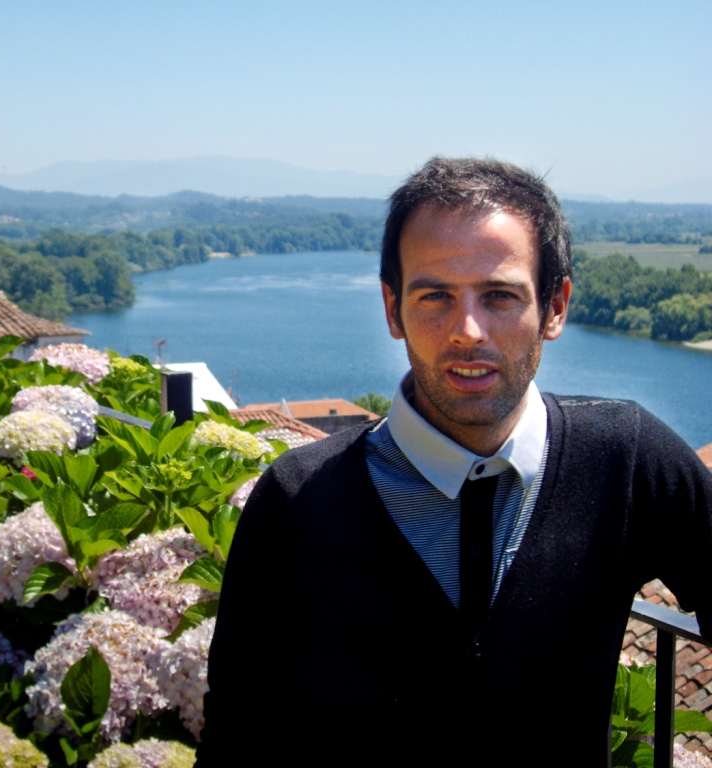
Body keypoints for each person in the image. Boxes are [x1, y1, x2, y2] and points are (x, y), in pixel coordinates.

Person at [195, 157, 712, 767]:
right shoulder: (298, 501)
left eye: (500, 296)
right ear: (393, 309)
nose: (468, 330)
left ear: (555, 306)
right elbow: (236, 739)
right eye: (435, 296)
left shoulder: (624, 461)